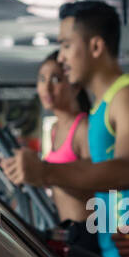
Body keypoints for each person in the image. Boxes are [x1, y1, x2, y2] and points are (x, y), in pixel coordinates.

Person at [1, 1, 129, 257]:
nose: (60, 57)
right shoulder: (101, 107)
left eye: (67, 45)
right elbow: (99, 177)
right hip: (112, 255)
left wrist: (44, 171)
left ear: (95, 47)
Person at [36, 51, 92, 224]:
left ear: (75, 86)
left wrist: (45, 172)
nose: (46, 88)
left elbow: (97, 181)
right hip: (65, 229)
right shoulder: (54, 128)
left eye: (56, 79)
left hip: (87, 229)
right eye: (42, 79)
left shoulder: (83, 128)